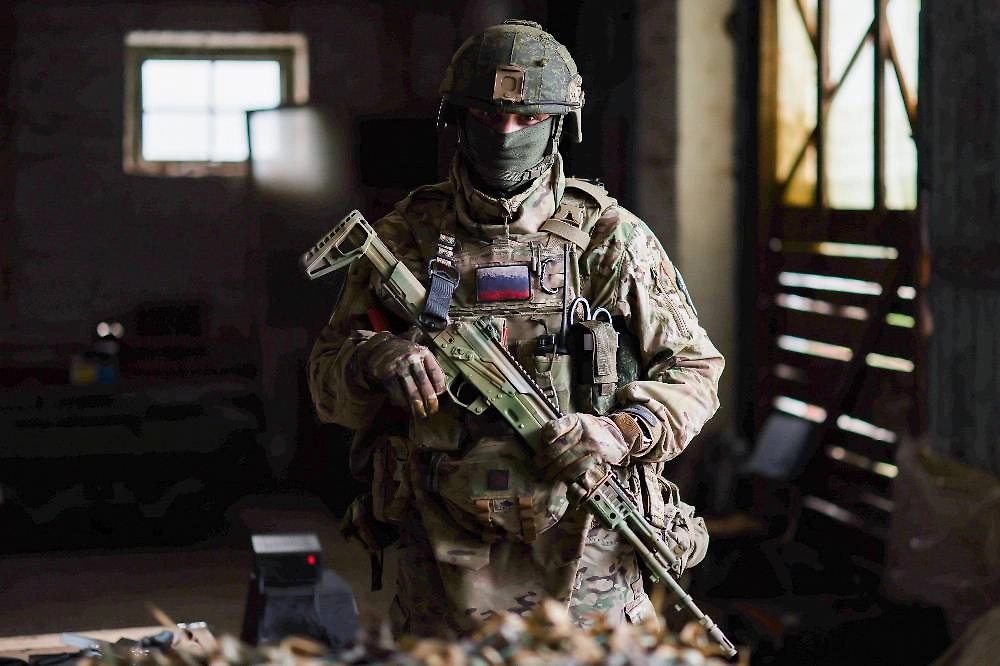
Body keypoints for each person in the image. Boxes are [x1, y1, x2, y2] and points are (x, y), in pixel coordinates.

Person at [307, 19, 723, 638]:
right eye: (487, 115)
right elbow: (326, 383)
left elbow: (695, 371)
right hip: (442, 571)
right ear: (457, 119)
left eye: (527, 118)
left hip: (588, 564)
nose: (505, 133)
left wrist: (621, 430)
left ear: (558, 125)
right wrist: (376, 359)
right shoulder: (404, 238)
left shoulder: (609, 239)